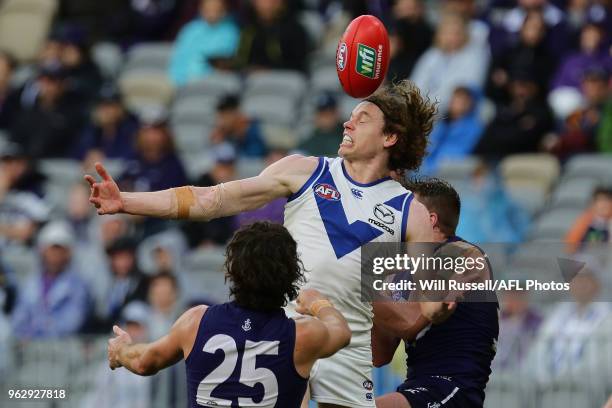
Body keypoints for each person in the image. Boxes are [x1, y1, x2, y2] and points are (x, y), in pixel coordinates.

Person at [86, 79, 446, 408]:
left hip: (347, 359)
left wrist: (438, 305)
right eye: (349, 117)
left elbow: (427, 305)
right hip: (284, 341)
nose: (347, 123)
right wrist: (127, 202)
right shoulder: (305, 171)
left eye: (362, 118)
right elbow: (212, 199)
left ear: (390, 138)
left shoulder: (409, 212)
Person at [106, 221, 352, 407]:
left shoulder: (196, 321)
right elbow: (342, 332)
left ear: (232, 270)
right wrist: (318, 303)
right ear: (291, 273)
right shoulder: (304, 335)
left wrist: (120, 351)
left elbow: (143, 362)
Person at [374, 177, 499, 408]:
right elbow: (379, 355)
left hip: (453, 387)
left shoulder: (464, 254)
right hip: (417, 387)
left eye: (406, 212)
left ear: (430, 220)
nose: (397, 219)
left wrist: (351, 284)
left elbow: (411, 322)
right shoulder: (402, 271)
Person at [11, 221, 92, 338]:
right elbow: (18, 320)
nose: (55, 255)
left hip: (64, 351)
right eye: (51, 249)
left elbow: (72, 323)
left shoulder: (78, 286)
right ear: (43, 252)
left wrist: (35, 331)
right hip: (30, 352)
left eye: (59, 250)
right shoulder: (32, 282)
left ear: (67, 253)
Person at [169, 0, 240, 86]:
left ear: (224, 10)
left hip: (212, 83)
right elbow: (178, 59)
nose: (212, 13)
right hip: (181, 83)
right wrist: (179, 81)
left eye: (216, 9)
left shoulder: (231, 32)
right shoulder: (190, 29)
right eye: (208, 9)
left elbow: (221, 63)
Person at [298, 92, 344, 158]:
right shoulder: (307, 143)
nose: (325, 118)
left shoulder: (347, 136)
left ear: (337, 113)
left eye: (329, 113)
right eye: (322, 113)